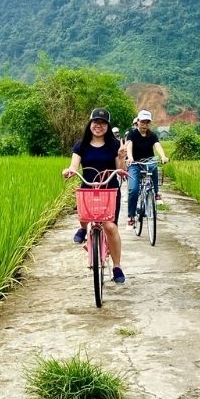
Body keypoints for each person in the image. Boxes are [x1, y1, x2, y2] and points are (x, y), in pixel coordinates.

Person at [62, 108, 128, 284]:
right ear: (90, 124)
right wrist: (69, 171)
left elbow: (121, 171)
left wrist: (122, 157)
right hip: (89, 189)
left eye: (103, 123)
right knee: (84, 216)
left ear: (107, 126)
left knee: (110, 227)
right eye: (95, 122)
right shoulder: (80, 145)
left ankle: (117, 266)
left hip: (109, 190)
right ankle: (84, 229)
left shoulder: (114, 145)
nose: (98, 126)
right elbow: (74, 166)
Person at [125, 109, 169, 226]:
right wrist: (130, 157)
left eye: (147, 122)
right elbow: (129, 145)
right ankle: (131, 216)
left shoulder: (152, 135)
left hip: (149, 162)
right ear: (138, 122)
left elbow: (157, 145)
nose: (144, 124)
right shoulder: (132, 134)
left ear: (150, 123)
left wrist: (163, 156)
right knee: (133, 190)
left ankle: (156, 192)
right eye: (142, 122)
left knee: (154, 165)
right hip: (134, 163)